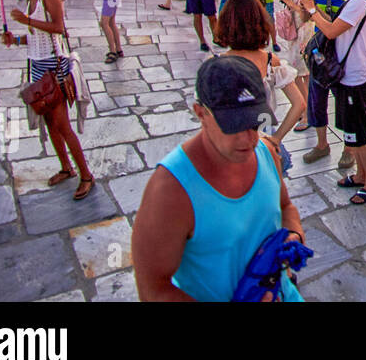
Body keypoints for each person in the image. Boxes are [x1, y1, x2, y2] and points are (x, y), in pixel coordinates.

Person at [131, 55, 306, 301]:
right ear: (201, 113)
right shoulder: (170, 190)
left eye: (254, 123)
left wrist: (293, 234)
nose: (248, 138)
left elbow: (286, 207)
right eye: (233, 125)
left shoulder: (267, 154)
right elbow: (153, 289)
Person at [3, 0, 94, 200]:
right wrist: (16, 39)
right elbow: (35, 38)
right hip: (37, 66)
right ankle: (66, 167)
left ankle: (86, 174)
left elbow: (57, 28)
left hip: (54, 68)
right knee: (50, 123)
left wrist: (26, 22)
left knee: (63, 124)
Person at [300, 0, 366, 203]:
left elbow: (333, 31)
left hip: (356, 79)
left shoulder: (360, 0)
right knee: (351, 132)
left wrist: (312, 11)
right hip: (349, 77)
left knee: (359, 135)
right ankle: (360, 175)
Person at [216, 0, 305, 177]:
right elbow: (299, 104)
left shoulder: (217, 66)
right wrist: (276, 140)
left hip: (232, 147)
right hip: (263, 141)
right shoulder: (270, 62)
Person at [294, 0, 352, 160]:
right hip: (320, 54)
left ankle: (349, 149)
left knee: (345, 104)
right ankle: (321, 145)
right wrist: (305, 10)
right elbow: (305, 18)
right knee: (317, 100)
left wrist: (314, 10)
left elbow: (336, 27)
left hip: (343, 55)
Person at [275, 0, 316, 131]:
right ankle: (305, 108)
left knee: (302, 75)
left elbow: (306, 13)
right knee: (299, 74)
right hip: (298, 32)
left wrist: (288, 2)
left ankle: (307, 113)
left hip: (305, 33)